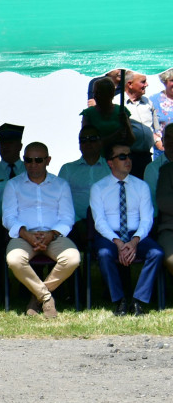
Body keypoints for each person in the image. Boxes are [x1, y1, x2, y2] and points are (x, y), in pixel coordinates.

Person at [1, 142, 79, 318]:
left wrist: (51, 234)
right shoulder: (13, 185)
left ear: (48, 160)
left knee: (72, 258)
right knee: (14, 260)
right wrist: (25, 234)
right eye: (28, 160)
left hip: (54, 235)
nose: (33, 164)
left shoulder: (60, 185)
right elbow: (8, 217)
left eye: (38, 160)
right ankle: (45, 297)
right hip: (23, 236)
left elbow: (67, 218)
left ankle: (36, 298)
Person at [89, 142, 163, 316]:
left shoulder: (141, 186)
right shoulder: (98, 188)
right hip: (109, 235)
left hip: (136, 234)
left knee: (157, 253)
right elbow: (99, 222)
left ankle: (138, 301)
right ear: (110, 162)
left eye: (129, 156)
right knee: (104, 254)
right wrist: (119, 243)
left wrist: (134, 241)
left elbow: (146, 219)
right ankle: (119, 301)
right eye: (122, 156)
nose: (128, 160)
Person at [58, 126, 109, 249]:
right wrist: (77, 221)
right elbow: (60, 201)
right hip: (74, 222)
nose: (88, 143)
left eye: (92, 139)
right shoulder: (68, 169)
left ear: (100, 142)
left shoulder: (111, 168)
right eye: (83, 140)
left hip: (107, 222)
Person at [82, 77, 132, 153]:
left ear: (110, 94)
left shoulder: (121, 111)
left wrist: (126, 126)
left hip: (118, 159)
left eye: (99, 93)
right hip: (98, 159)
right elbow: (88, 143)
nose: (95, 96)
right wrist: (115, 136)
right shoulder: (89, 114)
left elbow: (131, 140)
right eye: (94, 93)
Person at [122, 71, 157, 177]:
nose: (146, 84)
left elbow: (156, 128)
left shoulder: (148, 102)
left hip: (146, 157)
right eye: (143, 82)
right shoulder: (118, 103)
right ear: (130, 84)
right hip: (128, 158)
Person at [144, 125, 173, 208]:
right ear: (163, 141)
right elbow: (153, 202)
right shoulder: (153, 169)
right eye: (169, 138)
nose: (172, 142)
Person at [150, 68, 173, 158]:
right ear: (165, 81)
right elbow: (147, 125)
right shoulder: (153, 100)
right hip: (162, 150)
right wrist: (157, 140)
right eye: (172, 80)